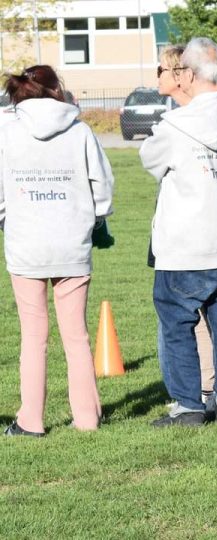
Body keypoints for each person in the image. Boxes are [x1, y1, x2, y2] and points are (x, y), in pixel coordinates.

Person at [140, 37, 217, 427]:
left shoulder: (175, 125)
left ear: (186, 74)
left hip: (185, 244)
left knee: (177, 327)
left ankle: (188, 405)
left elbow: (148, 159)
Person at [0, 65, 114, 436]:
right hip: (71, 245)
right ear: (56, 90)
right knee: (77, 337)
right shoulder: (80, 131)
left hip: (26, 246)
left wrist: (9, 219)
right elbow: (102, 187)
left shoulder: (5, 131)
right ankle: (87, 419)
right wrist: (95, 222)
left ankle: (30, 420)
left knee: (34, 338)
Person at [154, 44, 216, 405]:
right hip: (192, 230)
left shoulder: (187, 124)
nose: (156, 76)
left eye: (160, 69)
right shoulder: (190, 119)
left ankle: (192, 396)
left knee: (187, 316)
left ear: (181, 75)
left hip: (188, 237)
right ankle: (207, 388)